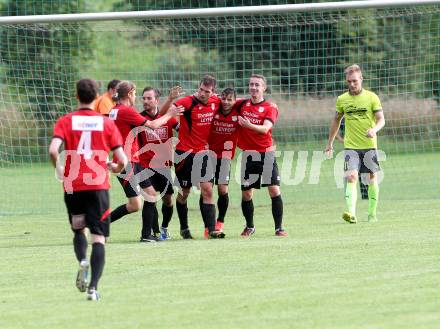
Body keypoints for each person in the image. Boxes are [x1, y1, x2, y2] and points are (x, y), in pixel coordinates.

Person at [48, 78, 127, 301]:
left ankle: (82, 259)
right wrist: (114, 166)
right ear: (97, 97)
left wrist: (61, 168)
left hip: (73, 185)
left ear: (76, 96)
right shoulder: (106, 123)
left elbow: (54, 150)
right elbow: (122, 159)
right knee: (99, 238)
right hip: (97, 185)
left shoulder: (66, 121)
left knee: (78, 229)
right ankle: (92, 288)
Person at [108, 81, 183, 242]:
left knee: (151, 195)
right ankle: (100, 224)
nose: (138, 98)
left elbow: (154, 117)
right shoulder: (125, 111)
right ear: (129, 94)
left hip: (133, 161)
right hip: (125, 163)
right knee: (136, 204)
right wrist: (171, 113)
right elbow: (154, 124)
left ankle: (146, 235)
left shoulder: (115, 110)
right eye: (136, 94)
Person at [325, 64, 385, 223]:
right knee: (351, 177)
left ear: (361, 79)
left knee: (371, 179)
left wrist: (374, 129)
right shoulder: (342, 99)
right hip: (351, 147)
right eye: (349, 81)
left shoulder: (372, 97)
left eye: (354, 81)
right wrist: (330, 143)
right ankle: (351, 213)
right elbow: (336, 121)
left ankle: (372, 214)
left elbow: (381, 120)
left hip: (369, 145)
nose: (352, 84)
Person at [167, 75, 225, 239]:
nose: (202, 93)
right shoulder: (186, 102)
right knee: (184, 193)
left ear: (213, 92)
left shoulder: (216, 101)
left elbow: (233, 103)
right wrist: (175, 120)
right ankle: (184, 228)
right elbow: (167, 111)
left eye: (206, 91)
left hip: (203, 153)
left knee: (207, 190)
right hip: (184, 154)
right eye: (200, 89)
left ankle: (212, 229)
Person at [237, 74, 287, 237]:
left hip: (266, 155)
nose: (253, 87)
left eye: (257, 85)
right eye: (251, 84)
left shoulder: (270, 107)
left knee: (274, 190)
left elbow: (265, 129)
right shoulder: (242, 104)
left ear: (264, 88)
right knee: (247, 193)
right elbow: (225, 101)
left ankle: (279, 228)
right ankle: (250, 226)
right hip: (249, 155)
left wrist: (248, 124)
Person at [137, 86, 179, 241]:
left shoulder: (166, 118)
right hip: (146, 165)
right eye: (144, 98)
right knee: (151, 198)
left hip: (165, 166)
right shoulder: (139, 118)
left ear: (157, 100)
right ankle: (153, 232)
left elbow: (182, 129)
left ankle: (164, 228)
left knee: (168, 200)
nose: (145, 101)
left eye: (149, 98)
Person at [204, 87, 241, 237]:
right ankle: (209, 226)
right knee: (207, 190)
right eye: (223, 99)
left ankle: (220, 221)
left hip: (225, 156)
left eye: (229, 99)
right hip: (208, 155)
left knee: (222, 190)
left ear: (235, 101)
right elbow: (208, 99)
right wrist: (214, 96)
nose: (226, 102)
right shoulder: (214, 109)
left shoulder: (239, 112)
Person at [337, 117, 369, 200]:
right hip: (350, 150)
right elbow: (335, 129)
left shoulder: (363, 116)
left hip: (364, 148)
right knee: (350, 175)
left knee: (365, 174)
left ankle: (366, 197)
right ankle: (349, 197)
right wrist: (342, 140)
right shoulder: (344, 119)